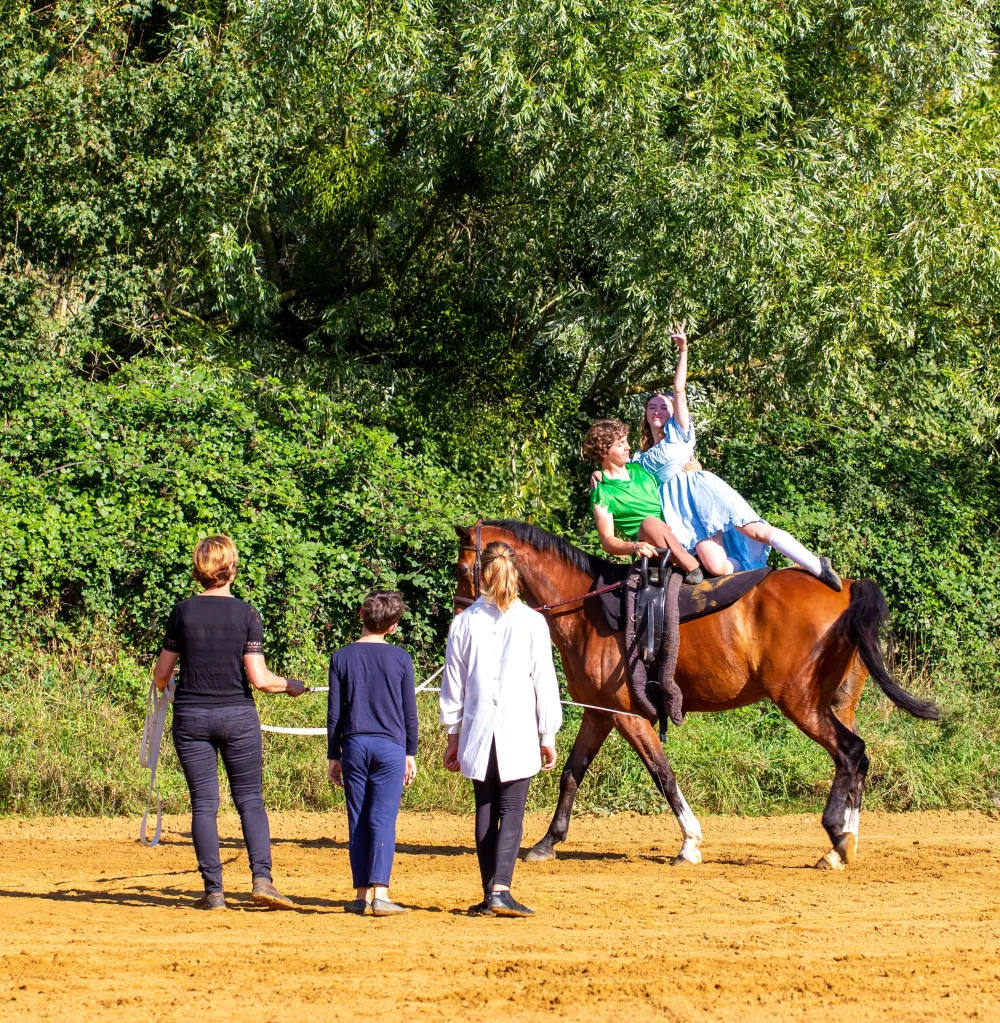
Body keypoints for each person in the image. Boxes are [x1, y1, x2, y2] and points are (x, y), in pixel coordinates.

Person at [152, 535, 305, 911]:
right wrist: (292, 686)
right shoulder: (246, 614)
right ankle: (263, 881)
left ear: (199, 570)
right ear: (231, 568)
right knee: (250, 800)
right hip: (237, 716)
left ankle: (214, 892)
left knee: (204, 804)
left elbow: (161, 674)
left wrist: (170, 685)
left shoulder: (182, 612)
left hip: (191, 717)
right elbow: (260, 679)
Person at [633, 323, 841, 589]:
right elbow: (623, 480)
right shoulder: (639, 458)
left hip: (703, 493)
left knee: (755, 530)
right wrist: (598, 476)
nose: (658, 410)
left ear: (672, 412)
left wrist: (683, 351)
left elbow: (680, 390)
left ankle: (815, 564)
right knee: (716, 566)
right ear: (646, 414)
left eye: (664, 406)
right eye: (652, 406)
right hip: (681, 514)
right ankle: (762, 575)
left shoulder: (678, 432)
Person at [440, 541, 562, 918]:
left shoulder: (463, 622)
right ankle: (501, 890)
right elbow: (544, 681)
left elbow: (453, 685)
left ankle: (489, 891)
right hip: (518, 727)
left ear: (482, 575)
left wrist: (452, 735)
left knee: (485, 807)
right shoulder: (532, 622)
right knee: (511, 810)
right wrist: (548, 734)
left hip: (477, 728)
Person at [327, 591, 418, 917]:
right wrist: (411, 752)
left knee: (358, 820)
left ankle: (360, 895)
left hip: (354, 745)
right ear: (393, 626)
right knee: (383, 821)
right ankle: (381, 893)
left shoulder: (341, 657)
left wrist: (333, 754)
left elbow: (335, 713)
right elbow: (410, 713)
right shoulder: (401, 659)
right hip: (391, 747)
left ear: (361, 615)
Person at [584, 419, 705, 585]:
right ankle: (693, 566)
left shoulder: (641, 468)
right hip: (652, 546)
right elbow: (607, 541)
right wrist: (635, 546)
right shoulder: (603, 492)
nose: (627, 447)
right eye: (620, 444)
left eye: (626, 441)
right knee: (650, 523)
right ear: (604, 452)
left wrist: (694, 466)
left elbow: (674, 473)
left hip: (679, 532)